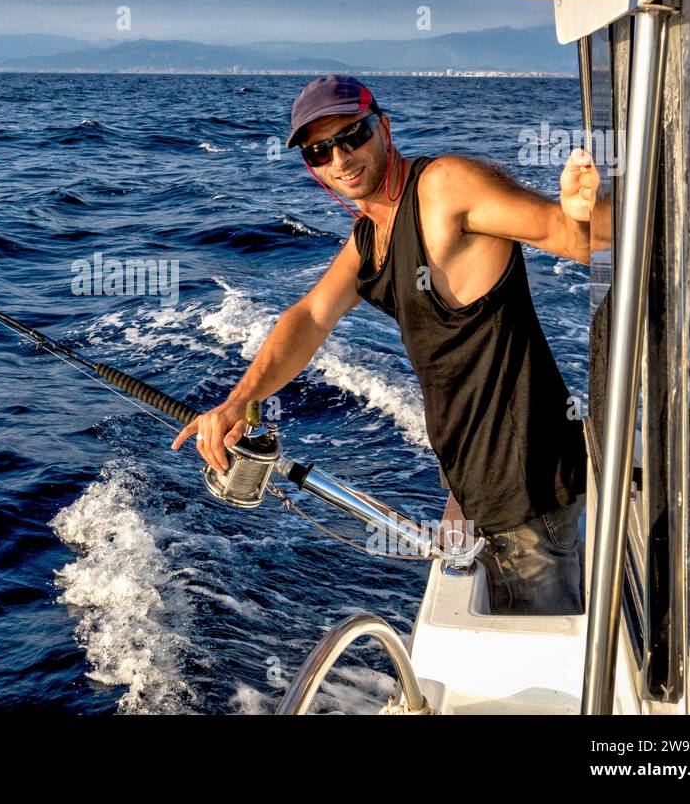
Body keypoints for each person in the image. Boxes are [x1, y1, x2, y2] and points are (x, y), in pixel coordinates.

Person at [172, 75, 601, 615]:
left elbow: (574, 238)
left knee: (545, 674)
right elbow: (308, 316)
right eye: (320, 150)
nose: (340, 158)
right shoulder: (371, 236)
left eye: (353, 136)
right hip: (473, 482)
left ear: (385, 128)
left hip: (522, 492)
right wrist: (239, 401)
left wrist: (586, 212)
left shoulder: (444, 189)